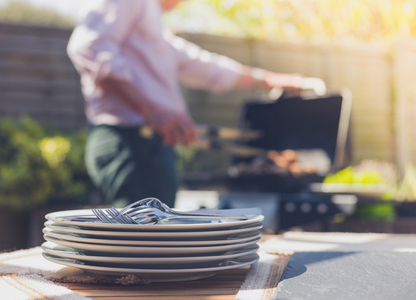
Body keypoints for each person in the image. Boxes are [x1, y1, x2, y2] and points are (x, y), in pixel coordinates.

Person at [67, 0, 304, 208]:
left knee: (153, 244)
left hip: (150, 145)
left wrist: (269, 80)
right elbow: (88, 46)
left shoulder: (152, 27)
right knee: (140, 246)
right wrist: (150, 111)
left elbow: (205, 66)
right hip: (132, 143)